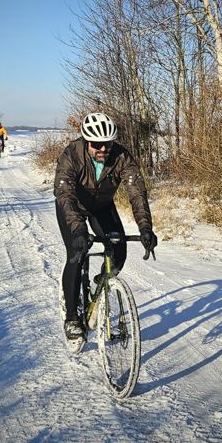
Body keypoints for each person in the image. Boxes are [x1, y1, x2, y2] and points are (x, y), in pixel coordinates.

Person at [54, 111, 158, 341]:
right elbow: (65, 194)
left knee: (119, 250)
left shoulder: (121, 157)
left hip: (101, 206)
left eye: (107, 144)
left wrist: (145, 228)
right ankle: (72, 317)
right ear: (86, 141)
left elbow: (137, 193)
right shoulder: (71, 154)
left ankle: (99, 288)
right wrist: (78, 229)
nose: (103, 149)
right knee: (77, 253)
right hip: (73, 207)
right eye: (97, 145)